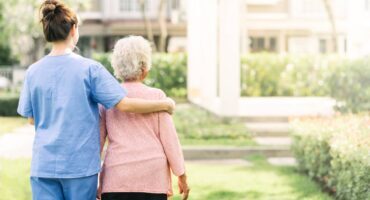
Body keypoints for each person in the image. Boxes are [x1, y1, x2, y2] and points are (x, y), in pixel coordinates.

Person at [17, 1, 175, 200]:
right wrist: (164, 104)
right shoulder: (90, 69)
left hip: (44, 166)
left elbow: (31, 119)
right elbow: (124, 104)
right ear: (74, 29)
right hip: (80, 168)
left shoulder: (33, 71)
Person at [98, 36, 190, 200]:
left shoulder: (108, 99)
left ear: (117, 66)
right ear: (144, 67)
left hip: (116, 177)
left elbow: (97, 142)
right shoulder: (157, 96)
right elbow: (170, 141)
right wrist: (181, 174)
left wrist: (95, 180)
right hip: (152, 177)